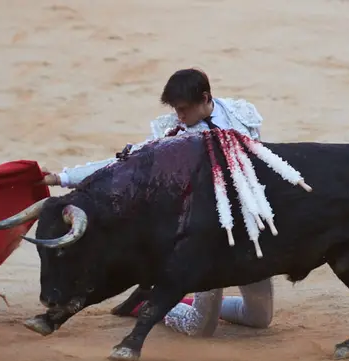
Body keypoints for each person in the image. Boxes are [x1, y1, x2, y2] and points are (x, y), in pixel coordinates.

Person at [40, 68, 274, 337]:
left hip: (248, 229)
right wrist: (62, 177)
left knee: (259, 318)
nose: (179, 116)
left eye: (183, 109)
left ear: (205, 98)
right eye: (175, 109)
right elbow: (118, 166)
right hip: (203, 236)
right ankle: (149, 305)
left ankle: (173, 299)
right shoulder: (171, 136)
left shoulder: (240, 114)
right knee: (199, 328)